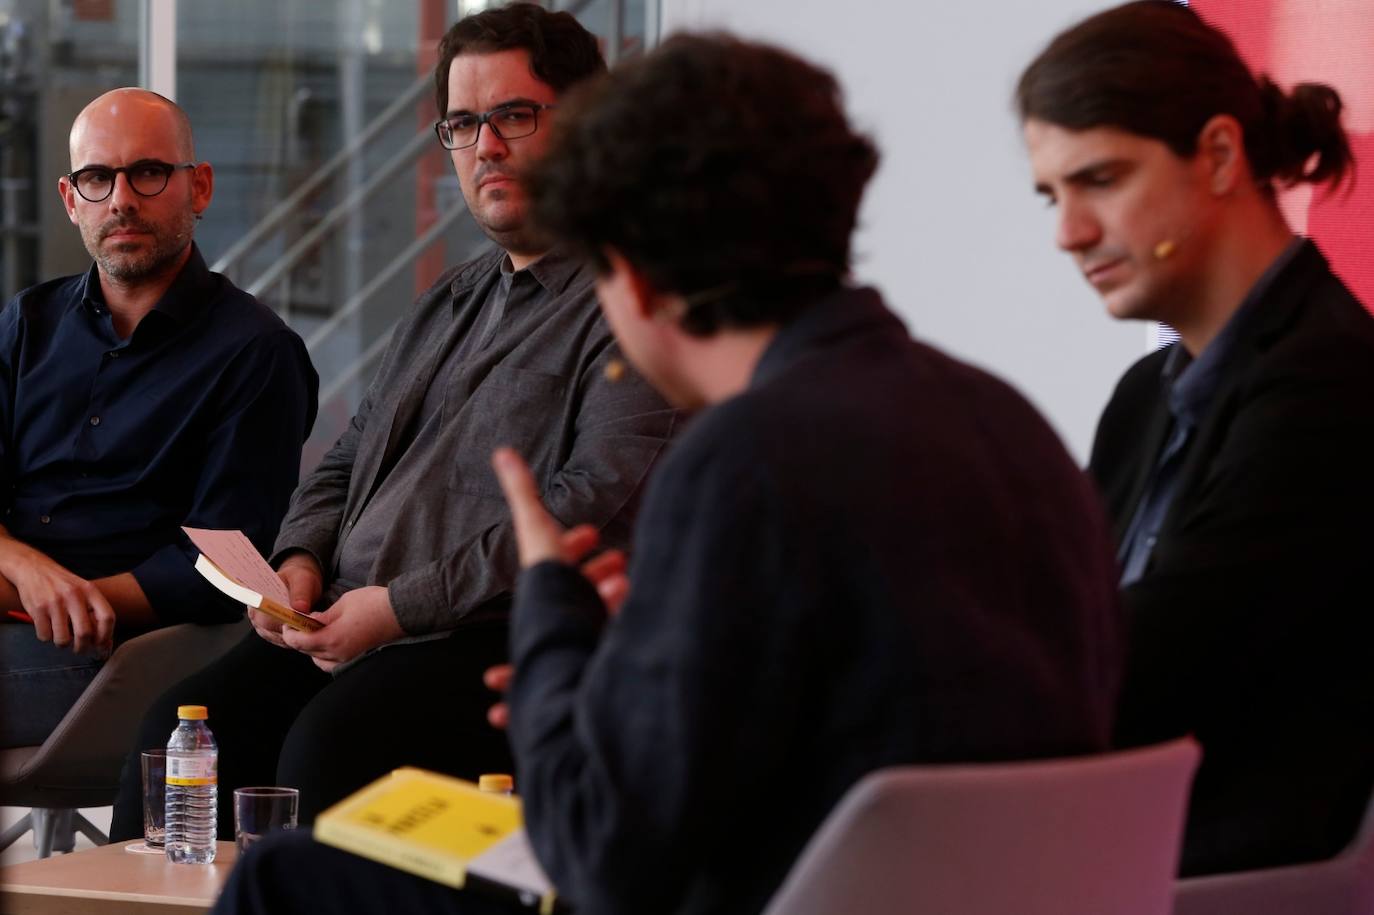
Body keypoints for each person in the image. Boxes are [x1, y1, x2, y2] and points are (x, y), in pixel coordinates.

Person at [211, 32, 1122, 915]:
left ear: (630, 270)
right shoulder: (1007, 419)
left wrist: (555, 621)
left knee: (281, 877)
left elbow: (607, 851)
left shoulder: (743, 461)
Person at [109, 3, 675, 841]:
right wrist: (299, 561)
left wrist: (399, 607)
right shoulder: (449, 299)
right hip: (344, 624)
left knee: (330, 751)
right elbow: (344, 460)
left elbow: (589, 511)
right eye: (463, 123)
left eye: (515, 116)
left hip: (494, 641)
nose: (486, 146)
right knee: (176, 737)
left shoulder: (633, 303)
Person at [1017, 0, 1374, 877]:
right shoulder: (1147, 391)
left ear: (1219, 155)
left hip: (1234, 869)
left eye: (1100, 179)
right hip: (1121, 845)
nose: (1068, 233)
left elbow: (1137, 671)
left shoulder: (1331, 381)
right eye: (1052, 194)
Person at [0, 89, 317, 753]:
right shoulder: (26, 323)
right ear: (69, 197)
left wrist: (65, 600)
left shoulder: (256, 351)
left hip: (119, 652)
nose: (120, 199)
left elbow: (223, 558)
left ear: (198, 187)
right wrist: (27, 569)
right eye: (96, 178)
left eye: (147, 172)